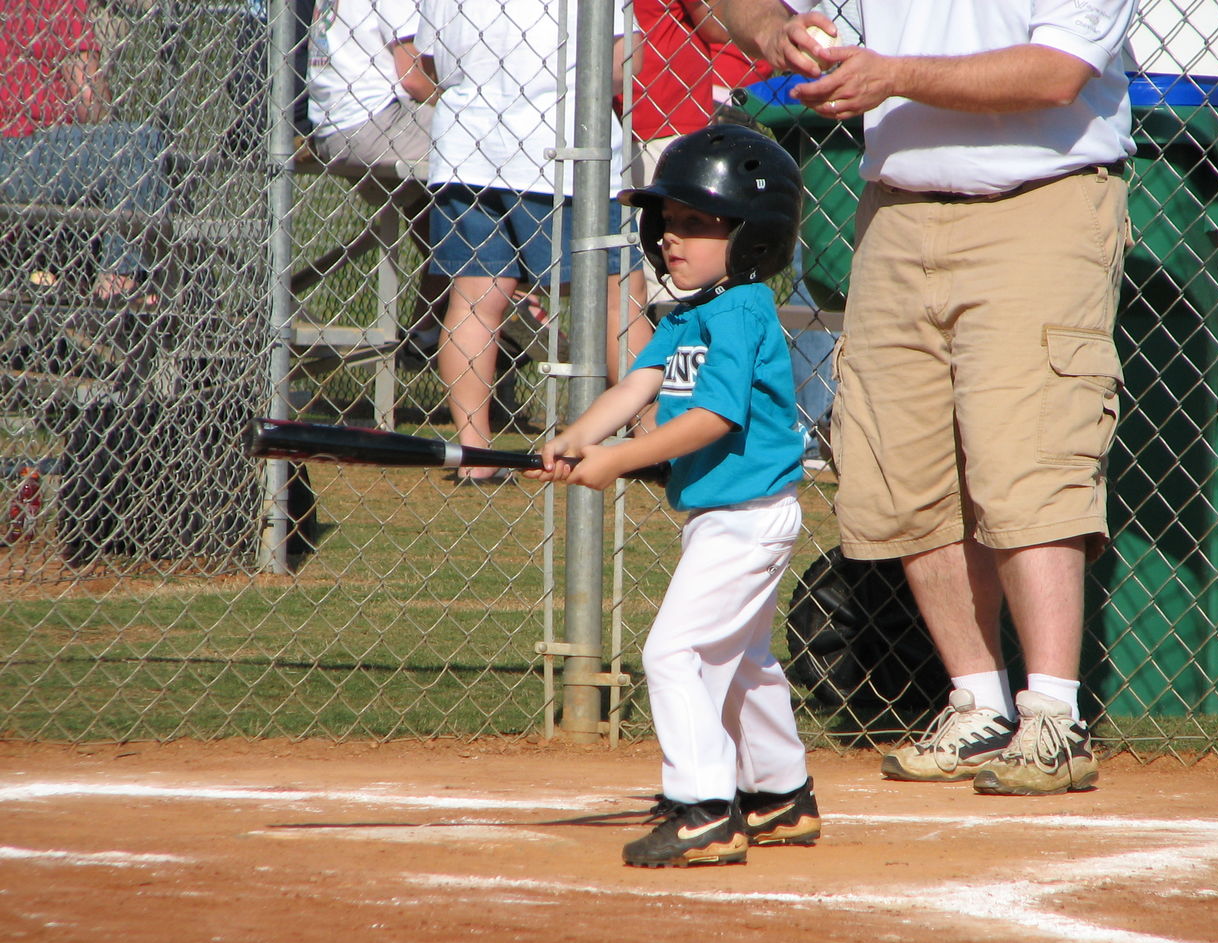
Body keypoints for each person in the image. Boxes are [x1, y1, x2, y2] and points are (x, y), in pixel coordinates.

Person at [717, 0, 1137, 796]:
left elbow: (1056, 74)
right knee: (903, 463)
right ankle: (976, 702)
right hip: (898, 212)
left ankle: (1052, 716)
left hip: (1038, 202)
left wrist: (894, 75)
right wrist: (773, 30)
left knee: (1029, 454)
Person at [525, 124, 818, 867]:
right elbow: (638, 384)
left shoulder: (743, 310)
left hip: (747, 519)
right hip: (721, 517)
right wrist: (577, 436)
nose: (672, 240)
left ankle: (703, 809)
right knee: (743, 663)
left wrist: (618, 460)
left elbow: (712, 418)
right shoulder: (687, 314)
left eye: (696, 223)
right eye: (668, 224)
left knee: (675, 652)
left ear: (752, 238)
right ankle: (780, 794)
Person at [408, 0, 653, 481]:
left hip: (465, 145)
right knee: (617, 295)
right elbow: (625, 62)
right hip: (562, 145)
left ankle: (474, 457)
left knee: (476, 298)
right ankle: (650, 436)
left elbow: (429, 62)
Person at [0, 0, 170, 306]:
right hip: (19, 152)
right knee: (139, 144)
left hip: (16, 152)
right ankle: (118, 283)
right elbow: (88, 96)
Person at [306, 0, 445, 347]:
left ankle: (433, 321)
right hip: (377, 121)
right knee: (493, 140)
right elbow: (414, 80)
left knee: (434, 207)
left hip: (332, 126)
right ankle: (509, 285)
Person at [624, 0, 769, 307]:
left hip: (621, 118)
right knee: (678, 259)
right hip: (672, 112)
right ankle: (687, 343)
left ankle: (671, 340)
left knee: (649, 256)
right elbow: (717, 23)